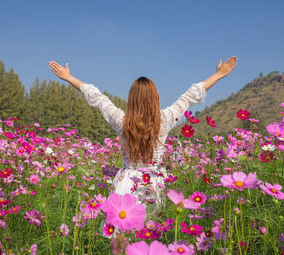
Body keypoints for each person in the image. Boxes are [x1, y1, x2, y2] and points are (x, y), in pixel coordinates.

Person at [49, 57, 237, 210]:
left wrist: (69, 78)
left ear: (131, 100)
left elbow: (98, 98)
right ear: (155, 98)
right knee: (150, 235)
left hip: (125, 184)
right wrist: (218, 75)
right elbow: (190, 96)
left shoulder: (122, 121)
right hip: (153, 184)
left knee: (122, 238)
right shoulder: (164, 120)